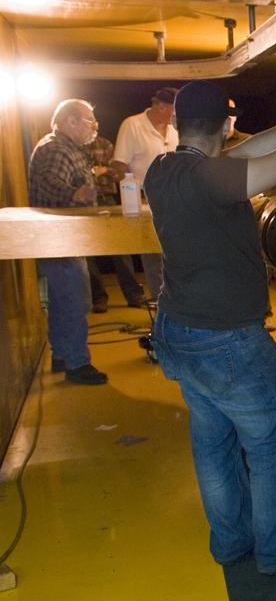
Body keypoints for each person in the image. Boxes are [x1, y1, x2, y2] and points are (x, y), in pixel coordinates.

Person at [147, 81, 276, 575]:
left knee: (213, 441)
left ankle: (230, 541)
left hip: (181, 332)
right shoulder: (209, 180)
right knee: (269, 447)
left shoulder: (164, 170)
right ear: (226, 124)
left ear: (180, 126)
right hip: (229, 343)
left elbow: (250, 152)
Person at [26, 99, 109, 384]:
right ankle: (77, 364)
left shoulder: (66, 147)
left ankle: (62, 354)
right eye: (89, 122)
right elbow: (50, 186)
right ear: (71, 122)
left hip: (63, 240)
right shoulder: (56, 149)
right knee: (75, 300)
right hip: (61, 239)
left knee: (64, 300)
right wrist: (79, 195)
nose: (94, 128)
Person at [111, 87, 179, 301]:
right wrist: (133, 199)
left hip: (174, 199)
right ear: (160, 106)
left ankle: (177, 302)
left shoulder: (175, 129)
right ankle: (162, 305)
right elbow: (119, 164)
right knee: (153, 256)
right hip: (143, 198)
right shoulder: (132, 125)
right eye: (174, 110)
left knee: (175, 255)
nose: (176, 116)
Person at [83, 131, 149, 311]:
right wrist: (94, 173)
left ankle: (134, 294)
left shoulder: (105, 144)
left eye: (93, 123)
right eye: (88, 123)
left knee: (120, 248)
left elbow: (117, 173)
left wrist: (101, 173)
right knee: (88, 251)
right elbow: (81, 179)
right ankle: (99, 298)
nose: (92, 127)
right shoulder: (72, 148)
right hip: (84, 204)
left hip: (107, 199)